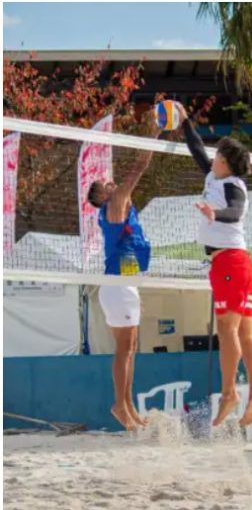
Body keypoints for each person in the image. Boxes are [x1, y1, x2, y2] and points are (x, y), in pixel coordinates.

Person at [181, 103, 252, 427]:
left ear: (227, 163)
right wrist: (184, 119)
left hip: (230, 261)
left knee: (227, 330)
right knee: (245, 332)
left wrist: (215, 215)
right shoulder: (212, 176)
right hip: (234, 263)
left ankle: (230, 391)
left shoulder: (233, 185)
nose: (212, 157)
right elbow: (195, 148)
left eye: (218, 155)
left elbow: (236, 211)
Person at [86, 120, 162, 431]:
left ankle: (127, 405)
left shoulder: (120, 208)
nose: (112, 182)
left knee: (129, 348)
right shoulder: (115, 204)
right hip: (117, 285)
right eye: (107, 183)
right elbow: (138, 168)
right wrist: (155, 133)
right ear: (103, 196)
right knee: (125, 348)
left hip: (122, 283)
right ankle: (120, 404)